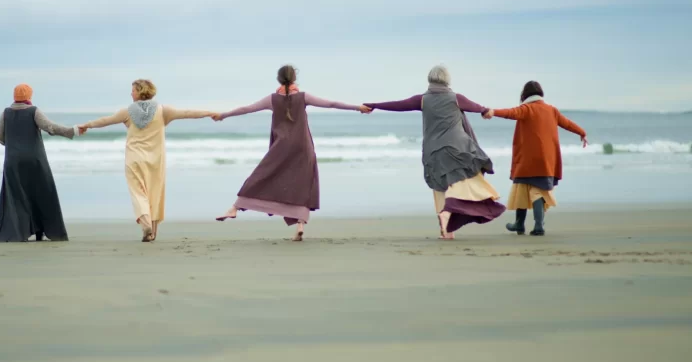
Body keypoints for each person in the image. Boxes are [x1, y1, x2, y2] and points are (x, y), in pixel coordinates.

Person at [212, 65, 371, 241]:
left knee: (262, 175)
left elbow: (246, 109)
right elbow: (331, 104)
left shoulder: (272, 99)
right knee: (302, 184)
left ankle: (235, 208)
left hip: (281, 146)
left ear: (279, 79)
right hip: (303, 146)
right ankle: (300, 225)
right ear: (294, 78)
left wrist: (223, 115)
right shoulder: (303, 97)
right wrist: (358, 107)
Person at [364, 65, 505, 239]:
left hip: (433, 150)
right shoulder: (456, 98)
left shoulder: (422, 100)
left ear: (430, 80)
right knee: (465, 183)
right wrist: (486, 111)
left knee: (440, 187)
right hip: (458, 148)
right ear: (447, 80)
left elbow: (399, 105)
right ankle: (449, 212)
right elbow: (477, 107)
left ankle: (447, 230)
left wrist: (375, 105)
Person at [78, 79, 215, 242]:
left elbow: (106, 121)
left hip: (134, 158)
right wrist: (209, 113)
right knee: (154, 194)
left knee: (138, 193)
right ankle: (152, 232)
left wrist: (87, 125)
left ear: (140, 91)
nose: (131, 93)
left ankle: (146, 226)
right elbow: (187, 113)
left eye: (133, 90)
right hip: (156, 160)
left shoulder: (127, 112)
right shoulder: (163, 110)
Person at [483, 81, 588, 236]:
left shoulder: (527, 109)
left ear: (524, 95)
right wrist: (582, 132)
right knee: (537, 191)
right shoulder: (552, 110)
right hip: (547, 160)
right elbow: (567, 123)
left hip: (528, 160)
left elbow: (510, 113)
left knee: (522, 190)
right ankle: (535, 224)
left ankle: (524, 224)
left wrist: (493, 111)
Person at [0, 84, 79, 243]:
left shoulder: (6, 113)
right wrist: (71, 131)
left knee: (16, 197)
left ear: (14, 96)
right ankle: (40, 231)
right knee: (41, 194)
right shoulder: (33, 111)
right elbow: (50, 127)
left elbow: (0, 137)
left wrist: (14, 147)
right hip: (35, 160)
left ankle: (19, 232)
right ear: (29, 96)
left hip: (13, 162)